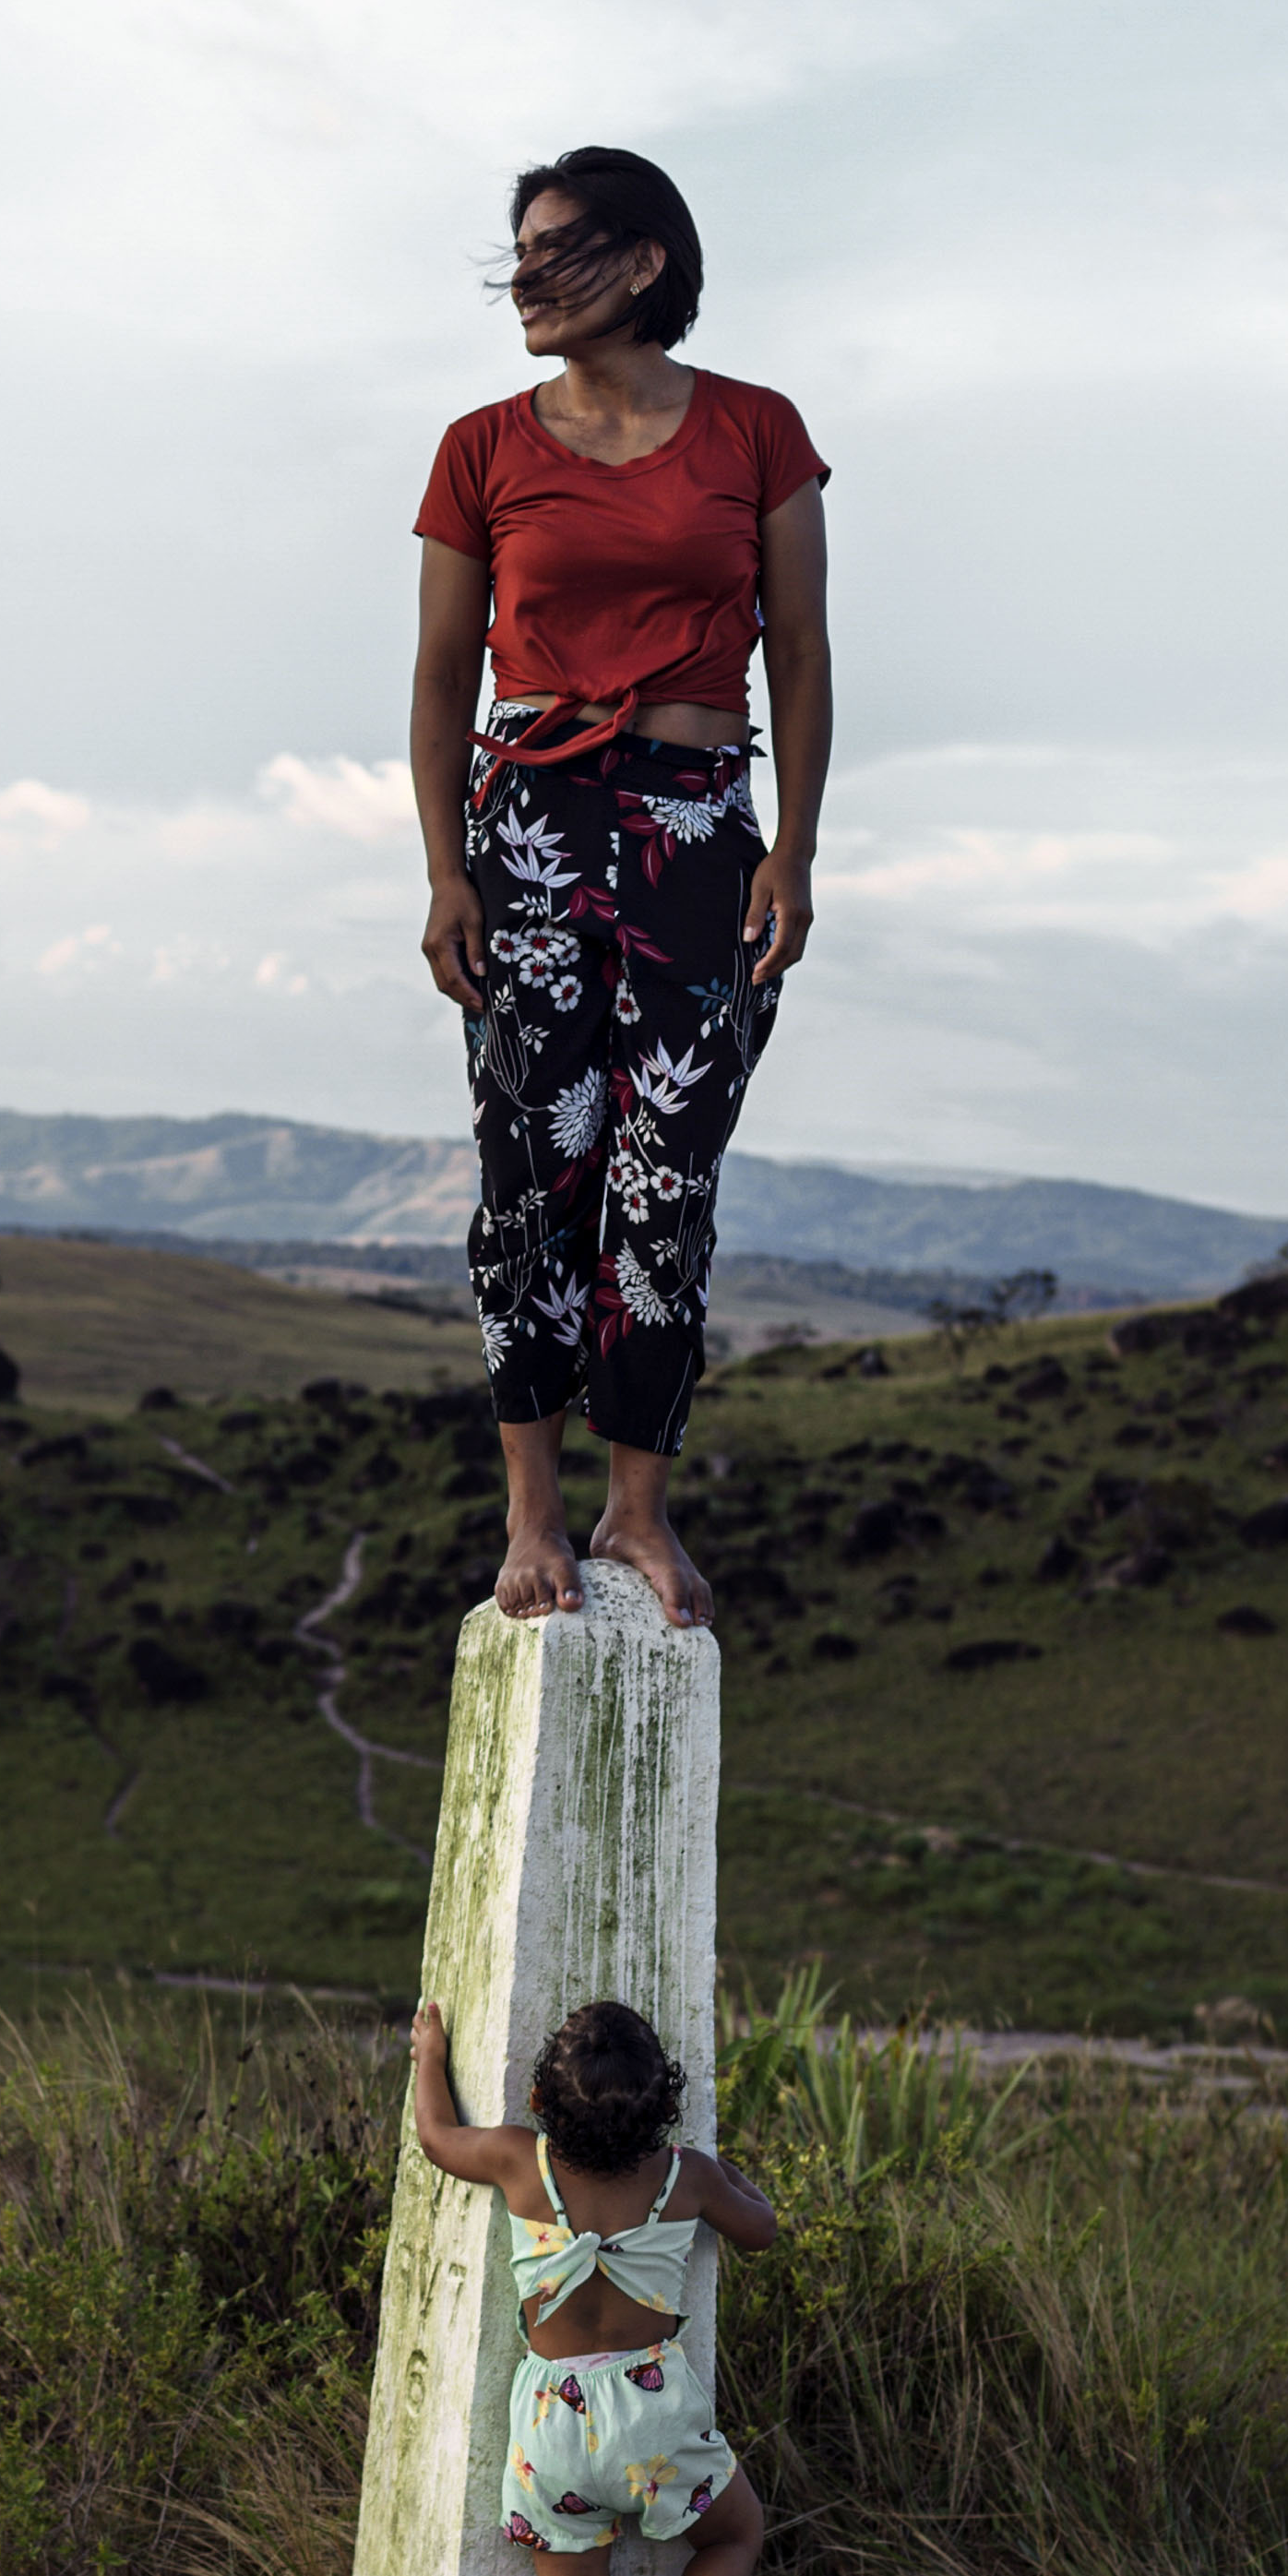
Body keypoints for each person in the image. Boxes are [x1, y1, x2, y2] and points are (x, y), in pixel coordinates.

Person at [411, 146, 833, 1631]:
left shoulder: (759, 432)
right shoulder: (479, 448)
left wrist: (792, 843)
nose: (525, 276)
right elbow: (441, 675)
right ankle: (531, 1516)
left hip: (698, 833)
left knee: (668, 1178)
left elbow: (800, 650)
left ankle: (635, 1512)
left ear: (647, 260)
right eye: (516, 253)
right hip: (525, 826)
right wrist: (446, 871)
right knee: (534, 1165)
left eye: (560, 248)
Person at [405, 1991, 783, 2576]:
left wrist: (429, 2051)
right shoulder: (683, 2176)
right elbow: (760, 2230)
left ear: (541, 2104)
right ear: (663, 2106)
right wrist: (723, 2173)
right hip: (653, 2410)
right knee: (735, 2532)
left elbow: (435, 2138)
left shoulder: (515, 2159)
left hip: (553, 2420)